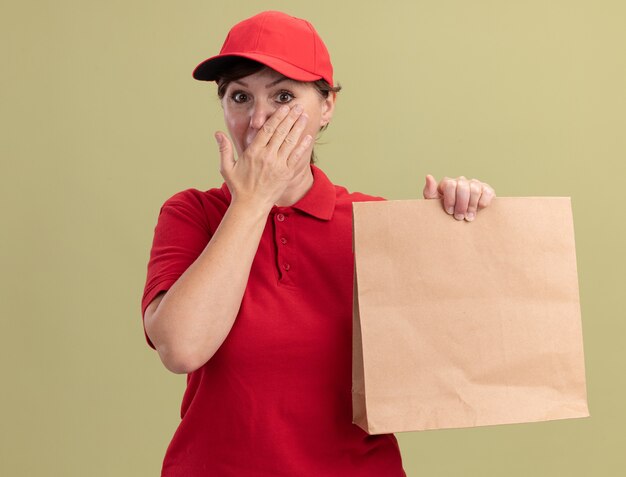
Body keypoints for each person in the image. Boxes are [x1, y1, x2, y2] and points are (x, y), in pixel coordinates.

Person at [141, 10, 495, 477]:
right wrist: (251, 203)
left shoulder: (373, 222)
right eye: (239, 96)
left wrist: (450, 232)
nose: (260, 119)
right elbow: (182, 348)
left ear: (327, 106)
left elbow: (442, 369)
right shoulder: (191, 214)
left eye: (283, 96)